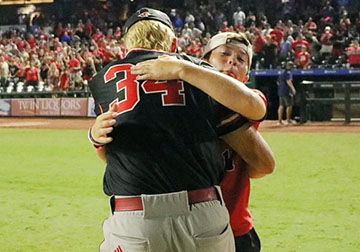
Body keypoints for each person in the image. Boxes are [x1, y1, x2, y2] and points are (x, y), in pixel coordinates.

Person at [88, 8, 266, 252]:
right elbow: (264, 161)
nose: (231, 62)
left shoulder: (103, 78)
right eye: (224, 55)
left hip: (135, 213)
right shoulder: (203, 80)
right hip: (205, 208)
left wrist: (95, 137)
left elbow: (109, 152)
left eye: (240, 59)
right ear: (174, 45)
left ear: (127, 44)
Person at [277, 61, 296, 125]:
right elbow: (288, 81)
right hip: (286, 91)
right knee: (289, 105)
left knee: (281, 105)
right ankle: (288, 120)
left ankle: (280, 121)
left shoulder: (282, 73)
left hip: (280, 91)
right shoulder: (288, 73)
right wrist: (293, 89)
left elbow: (278, 82)